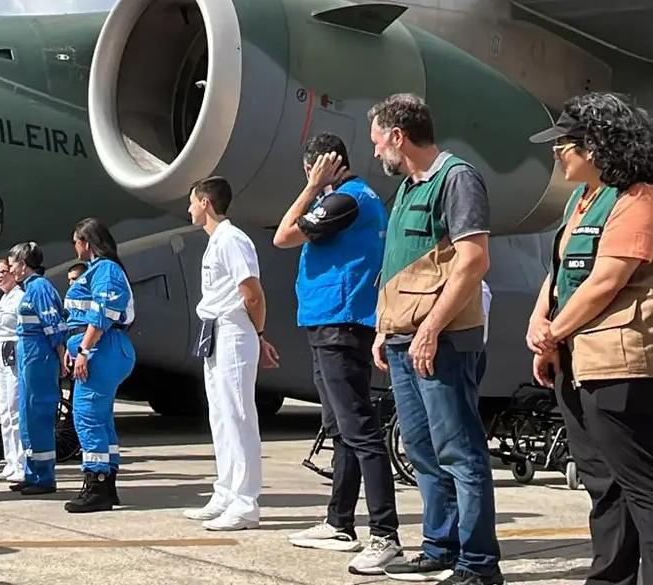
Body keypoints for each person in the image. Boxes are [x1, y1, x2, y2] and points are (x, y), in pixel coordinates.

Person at [366, 94, 501, 585]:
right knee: (422, 450)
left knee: (460, 451)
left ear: (398, 136)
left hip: (441, 342)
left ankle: (479, 563)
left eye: (379, 140)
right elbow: (400, 266)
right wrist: (386, 328)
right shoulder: (406, 188)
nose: (377, 150)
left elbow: (472, 261)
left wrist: (429, 328)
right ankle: (440, 545)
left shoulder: (457, 179)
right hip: (403, 340)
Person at [526, 92, 653, 585]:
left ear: (598, 144)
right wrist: (541, 326)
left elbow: (606, 280)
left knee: (641, 486)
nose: (558, 152)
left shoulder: (637, 198)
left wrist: (553, 333)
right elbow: (560, 272)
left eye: (566, 142)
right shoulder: (583, 201)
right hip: (577, 360)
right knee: (603, 483)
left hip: (617, 362)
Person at [271, 134, 403, 572]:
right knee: (342, 427)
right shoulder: (346, 200)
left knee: (360, 429)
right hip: (327, 321)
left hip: (341, 323)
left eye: (310, 169)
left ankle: (385, 534)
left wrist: (312, 187)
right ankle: (339, 522)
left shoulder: (346, 200)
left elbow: (285, 236)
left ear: (323, 165)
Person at [181, 177, 278, 532]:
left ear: (205, 202)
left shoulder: (233, 240)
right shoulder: (216, 242)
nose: (189, 208)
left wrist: (259, 334)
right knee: (221, 417)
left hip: (234, 330)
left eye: (192, 202)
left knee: (239, 416)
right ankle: (225, 492)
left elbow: (252, 293)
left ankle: (246, 503)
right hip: (215, 332)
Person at [62, 218, 136, 513]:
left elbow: (103, 314)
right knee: (100, 417)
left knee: (87, 416)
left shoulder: (105, 270)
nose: (75, 246)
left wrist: (83, 349)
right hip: (99, 348)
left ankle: (97, 485)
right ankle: (107, 483)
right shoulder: (98, 270)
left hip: (102, 349)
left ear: (87, 243)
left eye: (76, 241)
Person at [7, 242, 67, 496]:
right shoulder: (28, 289)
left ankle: (45, 477)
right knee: (28, 414)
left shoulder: (40, 287)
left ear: (23, 264)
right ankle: (32, 472)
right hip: (28, 355)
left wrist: (62, 356)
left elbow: (54, 324)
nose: (11, 269)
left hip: (39, 356)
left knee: (39, 411)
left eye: (12, 264)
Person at [0, 258, 26, 482]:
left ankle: (21, 463)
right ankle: (10, 462)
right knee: (5, 411)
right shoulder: (4, 299)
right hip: (2, 358)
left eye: (2, 271)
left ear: (13, 273)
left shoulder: (19, 298)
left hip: (13, 356)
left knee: (15, 411)